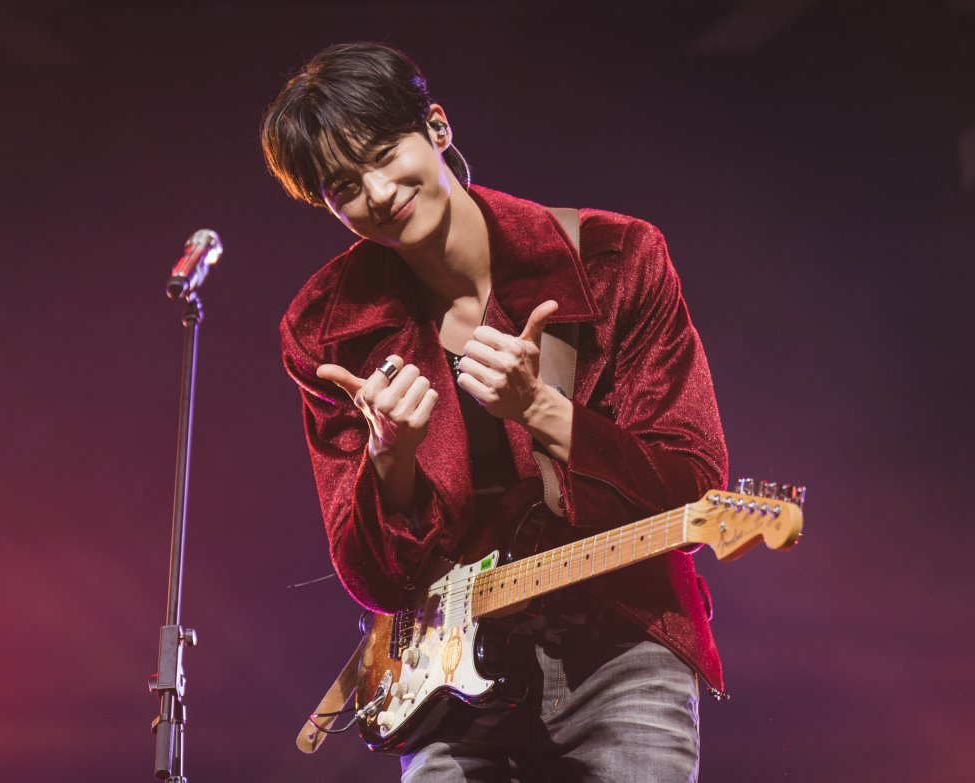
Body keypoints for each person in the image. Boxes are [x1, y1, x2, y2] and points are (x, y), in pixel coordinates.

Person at [261, 42, 728, 782]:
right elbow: (374, 580)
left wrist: (539, 407)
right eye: (345, 186)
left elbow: (693, 482)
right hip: (445, 679)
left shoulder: (614, 260)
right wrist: (390, 461)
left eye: (385, 155)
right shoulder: (327, 328)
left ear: (437, 127)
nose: (378, 193)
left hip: (622, 643)